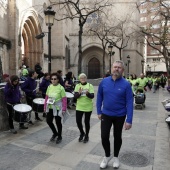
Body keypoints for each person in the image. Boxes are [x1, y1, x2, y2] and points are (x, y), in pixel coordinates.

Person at [96, 60, 133, 169]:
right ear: (112, 68)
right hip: (106, 114)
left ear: (123, 70)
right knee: (104, 136)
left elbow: (129, 103)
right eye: (115, 67)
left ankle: (116, 157)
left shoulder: (126, 84)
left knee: (117, 137)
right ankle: (107, 156)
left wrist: (129, 120)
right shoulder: (104, 82)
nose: (116, 69)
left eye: (119, 67)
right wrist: (99, 111)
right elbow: (99, 97)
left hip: (120, 115)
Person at [44, 73, 67, 144]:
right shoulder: (49, 87)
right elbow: (46, 97)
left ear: (58, 80)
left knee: (58, 122)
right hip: (50, 106)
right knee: (48, 121)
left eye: (55, 79)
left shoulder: (61, 88)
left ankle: (59, 136)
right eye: (52, 79)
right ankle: (55, 133)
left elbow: (64, 99)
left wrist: (64, 108)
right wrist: (45, 106)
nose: (53, 80)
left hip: (57, 107)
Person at [74, 73, 94, 143]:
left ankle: (87, 135)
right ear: (79, 79)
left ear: (86, 78)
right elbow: (75, 97)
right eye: (81, 78)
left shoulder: (90, 85)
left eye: (84, 78)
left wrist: (88, 94)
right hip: (79, 106)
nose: (83, 79)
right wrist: (79, 93)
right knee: (78, 121)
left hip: (88, 106)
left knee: (86, 122)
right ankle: (82, 133)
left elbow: (92, 96)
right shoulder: (77, 86)